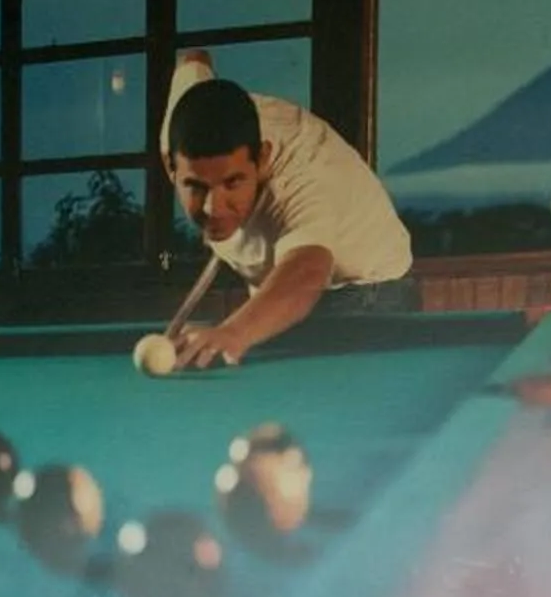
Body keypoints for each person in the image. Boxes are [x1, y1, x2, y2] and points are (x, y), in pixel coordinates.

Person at [158, 50, 413, 368]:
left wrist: (233, 332)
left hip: (365, 295)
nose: (213, 208)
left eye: (232, 183)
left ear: (262, 159)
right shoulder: (179, 130)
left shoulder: (301, 177)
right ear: (171, 165)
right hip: (278, 294)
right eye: (195, 186)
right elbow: (194, 59)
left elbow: (306, 271)